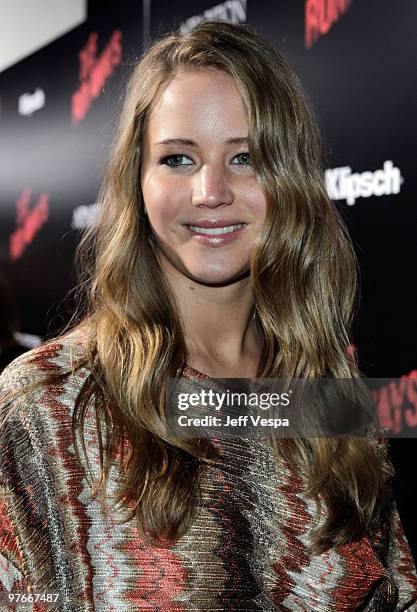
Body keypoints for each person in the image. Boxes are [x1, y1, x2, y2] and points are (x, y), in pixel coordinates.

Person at [0, 20, 416, 611]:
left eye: (245, 156)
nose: (210, 191)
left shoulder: (329, 389)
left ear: (291, 178)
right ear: (136, 181)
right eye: (178, 159)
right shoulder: (48, 406)